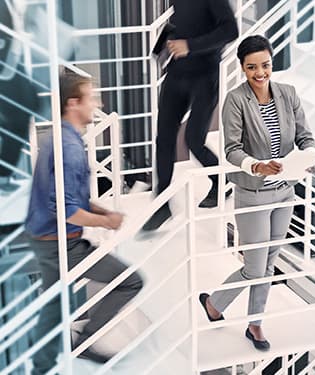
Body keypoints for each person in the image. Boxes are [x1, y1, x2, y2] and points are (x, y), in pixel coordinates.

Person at [198, 35, 315, 351]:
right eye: (252, 67)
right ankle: (214, 302)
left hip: (285, 192)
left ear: (271, 63)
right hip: (253, 193)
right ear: (242, 68)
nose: (260, 73)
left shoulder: (288, 94)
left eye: (264, 65)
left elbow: (305, 136)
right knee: (254, 266)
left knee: (269, 262)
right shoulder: (236, 100)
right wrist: (257, 166)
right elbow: (232, 150)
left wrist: (311, 156)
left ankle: (255, 324)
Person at [26, 72, 143, 374]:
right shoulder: (69, 148)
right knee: (129, 281)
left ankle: (45, 363)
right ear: (73, 103)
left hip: (47, 240)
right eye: (91, 97)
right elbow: (67, 210)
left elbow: (71, 198)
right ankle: (85, 343)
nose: (98, 103)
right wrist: (106, 223)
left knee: (53, 309)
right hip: (60, 244)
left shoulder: (63, 139)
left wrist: (103, 212)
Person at [142, 0, 238, 231]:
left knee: (193, 139)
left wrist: (190, 45)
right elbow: (178, 21)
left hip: (204, 77)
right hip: (177, 74)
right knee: (164, 138)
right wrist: (159, 47)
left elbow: (230, 30)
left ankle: (220, 180)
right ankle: (163, 202)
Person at [0, 0, 40, 193]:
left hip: (12, 64)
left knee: (31, 102)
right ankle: (3, 176)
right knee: (27, 105)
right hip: (5, 69)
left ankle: (3, 175)